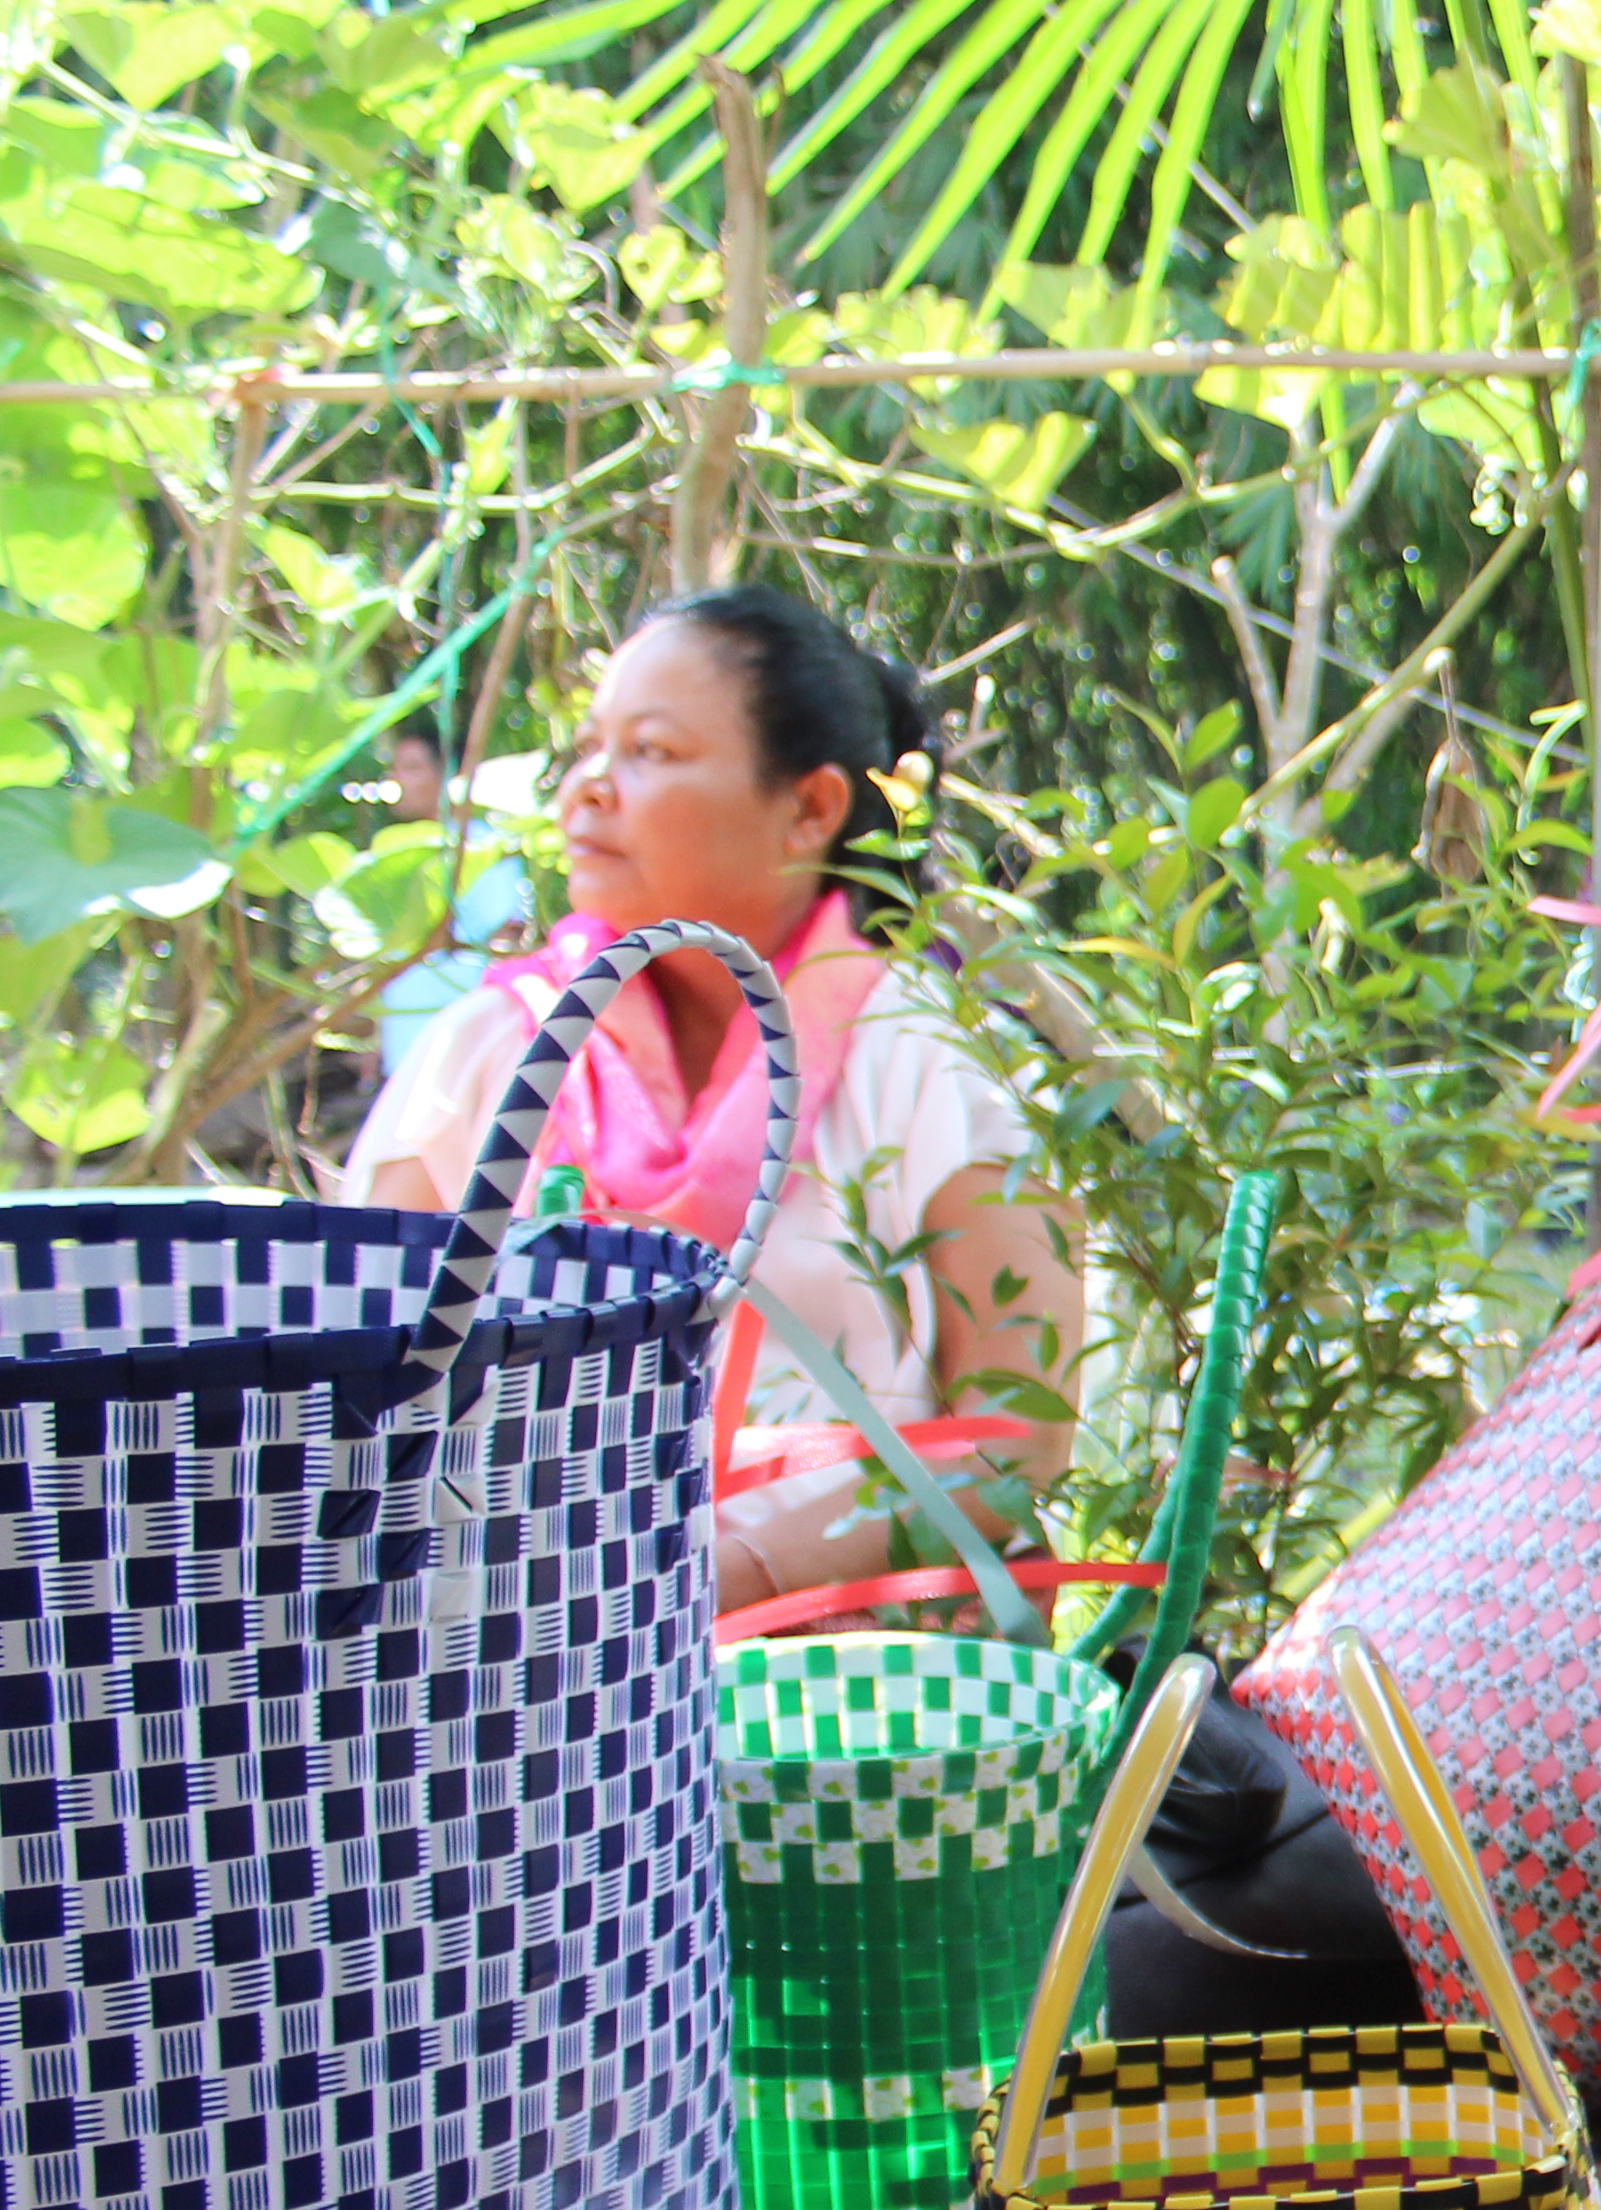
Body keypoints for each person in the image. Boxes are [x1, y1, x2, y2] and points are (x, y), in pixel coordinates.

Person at [351, 586, 1079, 1619]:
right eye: (590, 748)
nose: (589, 788)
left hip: (850, 1684)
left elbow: (1020, 1437)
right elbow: (366, 1383)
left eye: (649, 751)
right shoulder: (485, 1057)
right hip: (520, 1663)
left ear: (810, 808)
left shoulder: (935, 1065)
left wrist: (732, 1578)